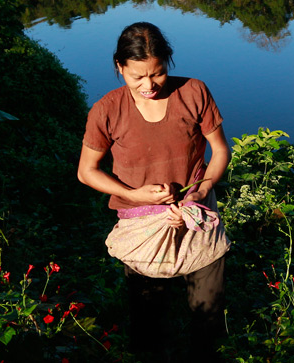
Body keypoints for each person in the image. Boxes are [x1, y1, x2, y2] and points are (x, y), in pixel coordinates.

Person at [78, 22, 230, 362]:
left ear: (168, 63)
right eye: (137, 77)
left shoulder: (193, 92)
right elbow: (86, 172)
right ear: (120, 67)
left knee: (207, 314)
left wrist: (203, 188)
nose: (148, 85)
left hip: (196, 215)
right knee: (148, 318)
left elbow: (220, 151)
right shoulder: (107, 110)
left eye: (157, 74)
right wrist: (135, 196)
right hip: (143, 227)